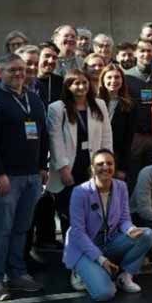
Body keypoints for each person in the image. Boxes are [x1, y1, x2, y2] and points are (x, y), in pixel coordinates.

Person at [0, 54, 47, 301]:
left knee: (21, 229)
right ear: (0, 71)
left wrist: (41, 167)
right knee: (0, 230)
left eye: (22, 69)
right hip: (5, 178)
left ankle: (17, 273)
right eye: (12, 70)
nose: (18, 74)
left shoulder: (34, 99)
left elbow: (42, 134)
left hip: (31, 177)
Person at [63, 149, 152, 300]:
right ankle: (80, 270)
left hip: (109, 240)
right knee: (105, 293)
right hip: (85, 246)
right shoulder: (80, 192)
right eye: (100, 164)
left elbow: (124, 218)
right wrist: (101, 260)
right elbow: (78, 233)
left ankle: (124, 276)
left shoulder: (121, 187)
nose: (105, 167)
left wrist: (130, 229)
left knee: (148, 234)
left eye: (109, 163)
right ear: (92, 168)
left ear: (114, 166)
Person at [46, 70, 111, 236]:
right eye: (76, 83)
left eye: (84, 82)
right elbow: (55, 139)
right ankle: (71, 250)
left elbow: (106, 135)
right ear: (68, 86)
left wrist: (106, 163)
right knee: (69, 211)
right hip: (69, 166)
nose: (81, 87)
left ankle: (89, 247)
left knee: (91, 209)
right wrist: (63, 167)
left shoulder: (99, 105)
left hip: (92, 165)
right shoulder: (57, 108)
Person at [124, 39, 152, 185]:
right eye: (142, 51)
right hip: (136, 137)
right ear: (135, 53)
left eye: (149, 51)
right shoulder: (126, 76)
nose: (146, 54)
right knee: (133, 177)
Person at [98, 64, 135, 183]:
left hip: (116, 159)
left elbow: (128, 140)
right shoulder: (94, 102)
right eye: (109, 77)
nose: (113, 81)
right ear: (103, 80)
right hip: (94, 155)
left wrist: (122, 168)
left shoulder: (130, 105)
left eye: (117, 77)